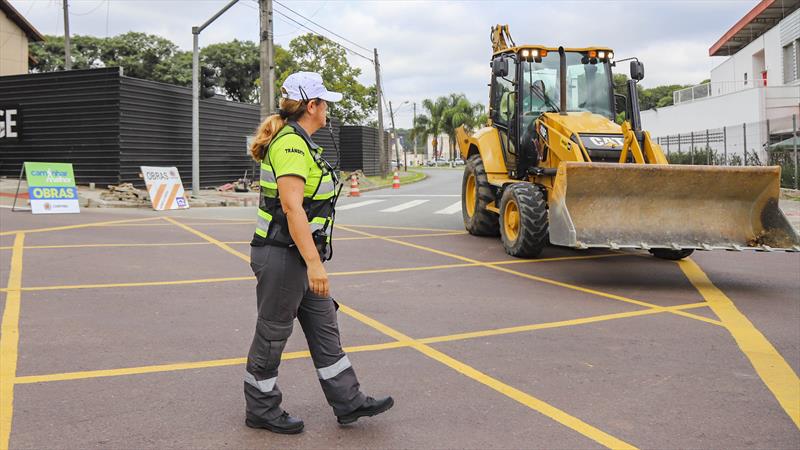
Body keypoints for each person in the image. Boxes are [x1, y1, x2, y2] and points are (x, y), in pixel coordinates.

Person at [245, 72, 393, 434]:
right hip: (282, 255)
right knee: (273, 333)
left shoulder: (303, 143)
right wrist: (314, 265)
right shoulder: (291, 146)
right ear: (312, 106)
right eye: (325, 102)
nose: (328, 109)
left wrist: (311, 261)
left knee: (325, 326)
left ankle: (348, 401)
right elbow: (292, 208)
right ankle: (261, 409)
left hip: (297, 254)